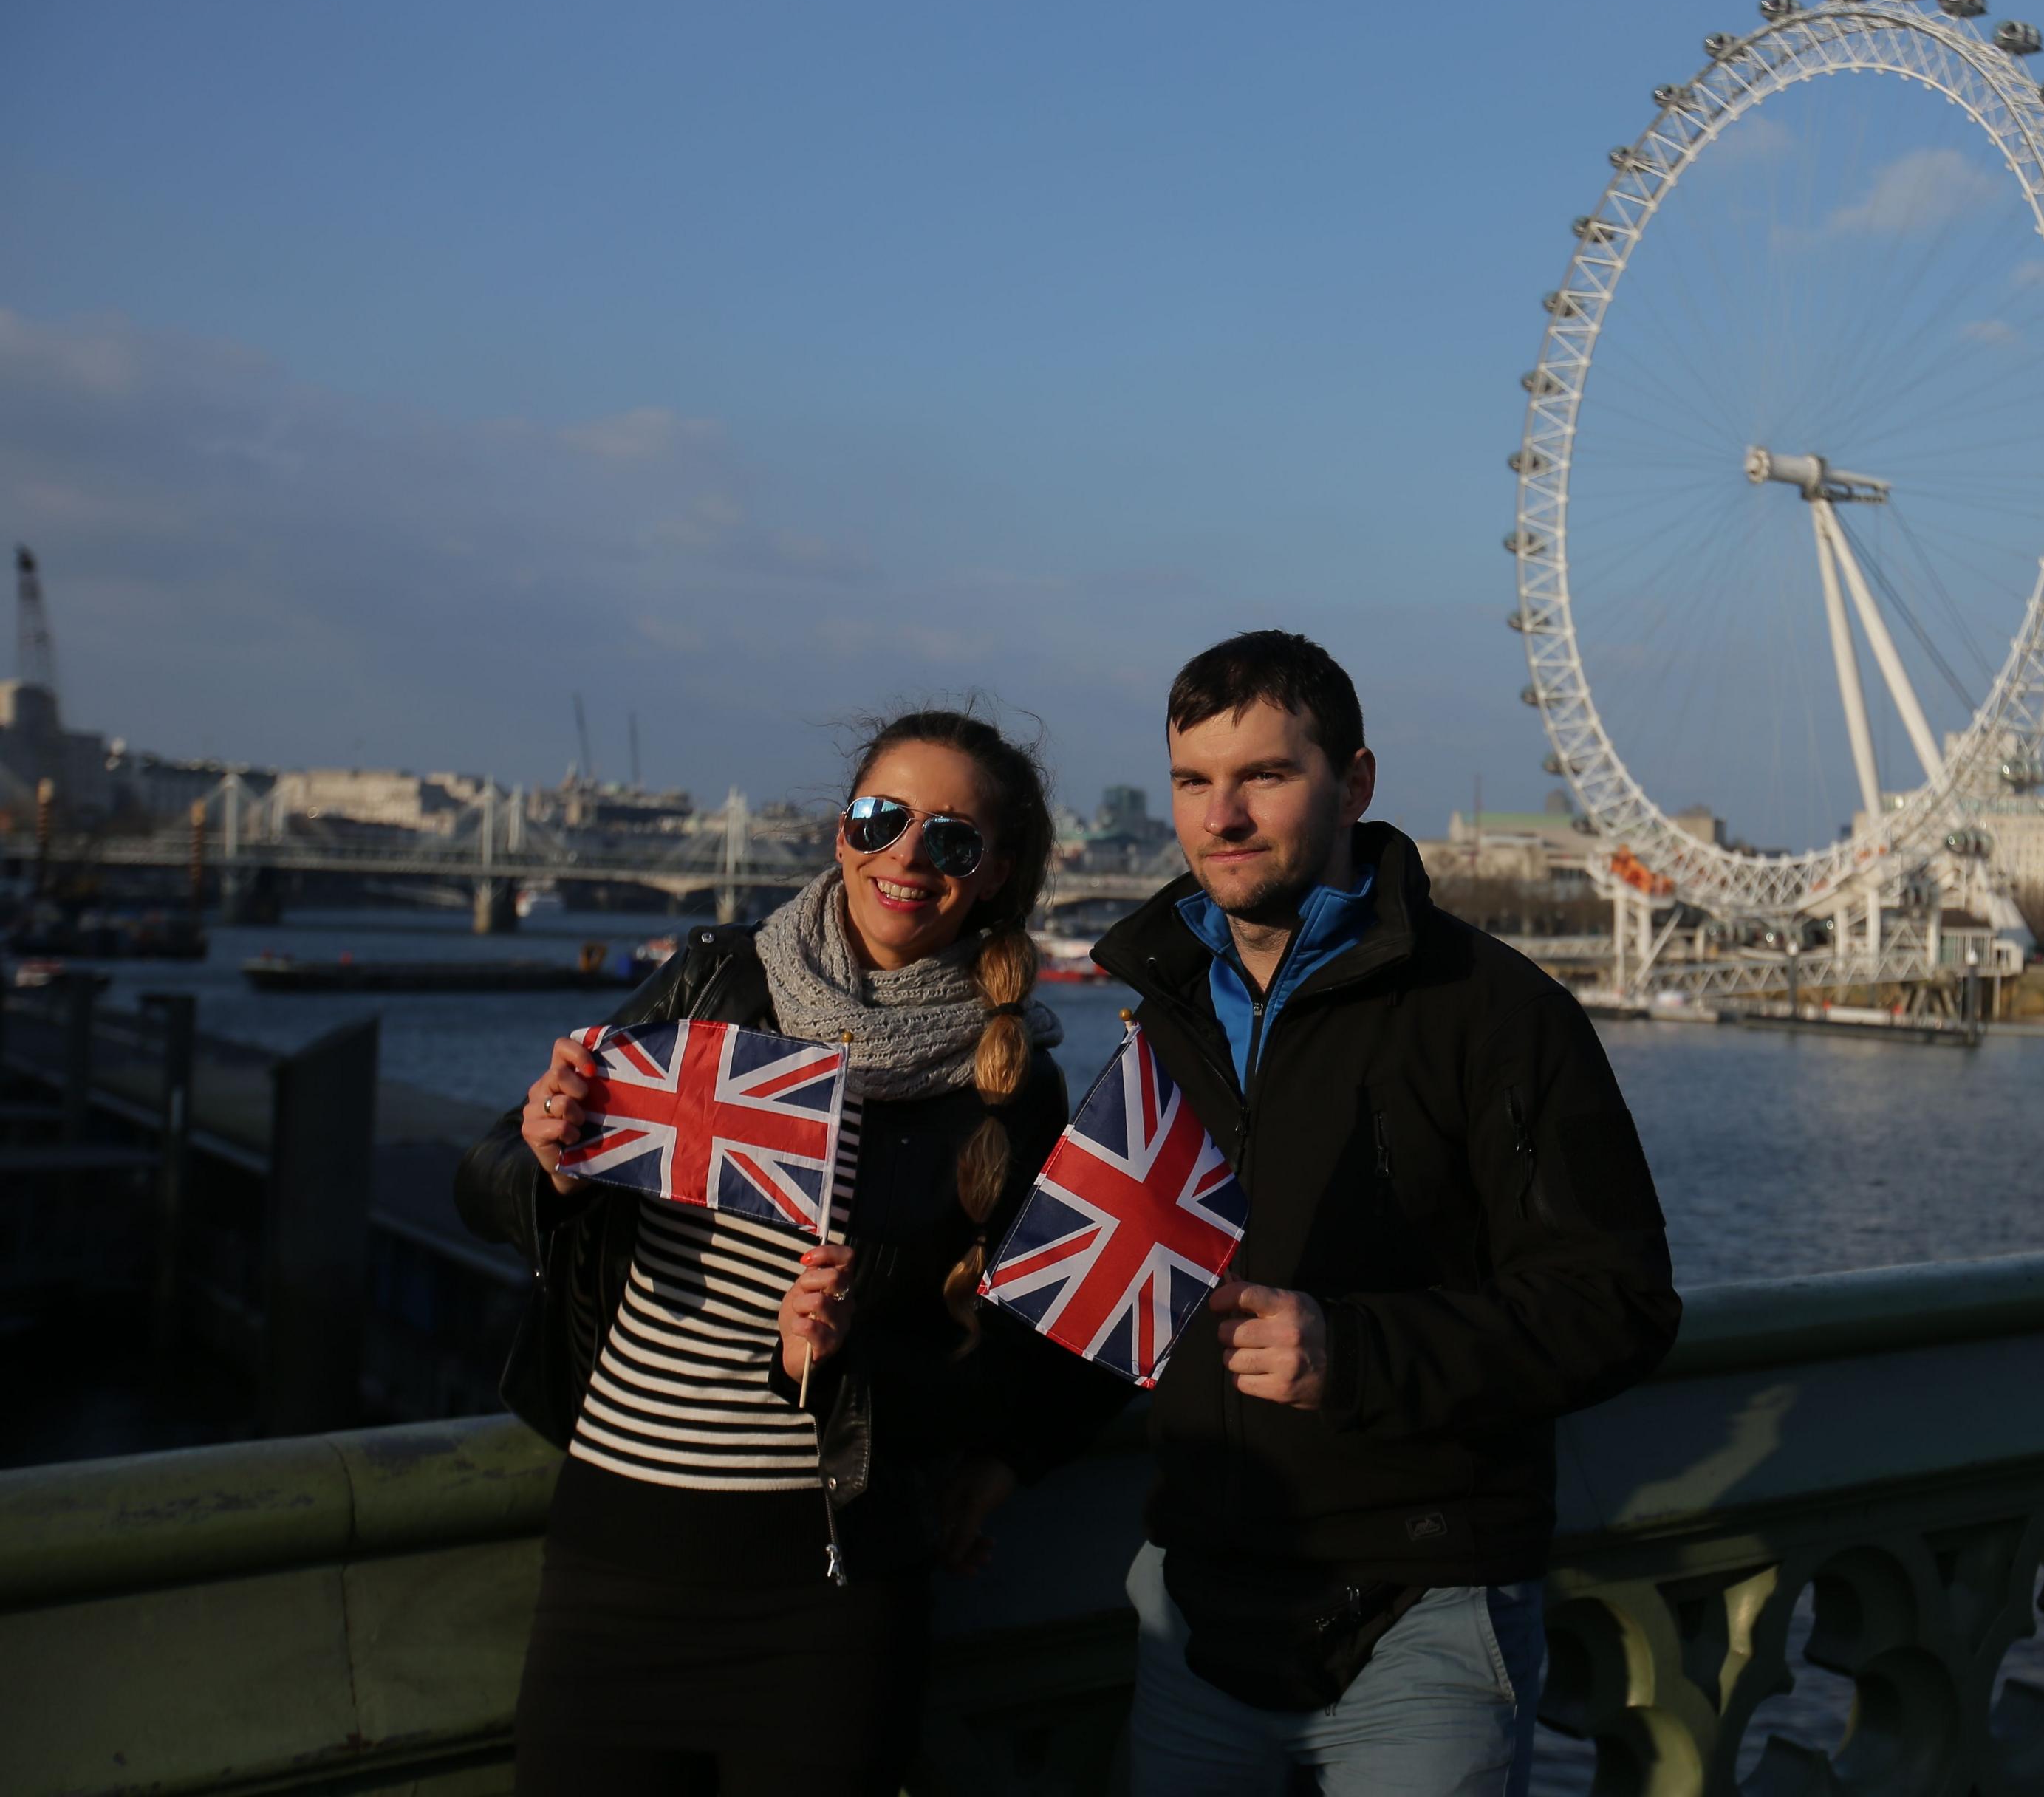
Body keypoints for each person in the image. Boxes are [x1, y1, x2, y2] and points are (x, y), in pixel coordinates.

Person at [456, 708, 1130, 1795]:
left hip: (828, 1600)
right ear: (840, 834)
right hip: (610, 1570)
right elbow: (485, 1176)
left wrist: (846, 1352)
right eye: (883, 818)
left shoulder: (1011, 1086)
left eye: (952, 839)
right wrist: (551, 1159)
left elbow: (1025, 1355)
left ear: (998, 872)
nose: (908, 856)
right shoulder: (718, 987)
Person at [1093, 631, 1681, 1796]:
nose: (1222, 817)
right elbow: (1101, 1286)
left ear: (1354, 783)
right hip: (1195, 1608)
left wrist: (1354, 1353)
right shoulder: (1159, 1013)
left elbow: (1615, 1302)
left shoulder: (1495, 1011)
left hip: (1423, 1609)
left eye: (1264, 776)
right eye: (1194, 782)